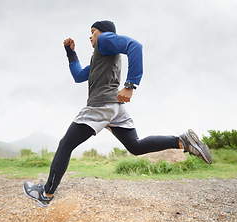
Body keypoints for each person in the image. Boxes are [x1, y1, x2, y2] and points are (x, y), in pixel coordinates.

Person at [23, 20, 212, 208]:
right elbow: (79, 76)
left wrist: (130, 85)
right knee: (135, 146)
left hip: (101, 104)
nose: (91, 36)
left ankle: (46, 193)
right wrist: (71, 53)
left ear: (105, 33)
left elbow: (135, 46)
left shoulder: (105, 40)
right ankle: (181, 141)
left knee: (65, 144)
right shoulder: (101, 58)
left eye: (93, 31)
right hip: (114, 106)